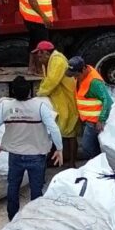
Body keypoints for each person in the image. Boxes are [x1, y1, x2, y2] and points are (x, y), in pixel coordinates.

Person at [0, 74, 60, 218]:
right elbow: (54, 129)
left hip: (15, 155)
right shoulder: (40, 106)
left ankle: (12, 217)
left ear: (13, 92)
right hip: (37, 155)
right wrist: (59, 148)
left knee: (13, 187)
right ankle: (34, 219)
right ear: (29, 91)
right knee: (36, 189)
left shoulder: (6, 107)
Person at [30, 38, 81, 170]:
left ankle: (71, 162)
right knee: (62, 130)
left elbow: (51, 81)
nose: (38, 58)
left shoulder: (57, 61)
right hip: (60, 101)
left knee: (70, 132)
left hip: (67, 100)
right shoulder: (48, 62)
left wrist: (39, 94)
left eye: (39, 55)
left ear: (46, 53)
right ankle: (60, 159)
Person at [72, 57, 113, 163]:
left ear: (83, 70)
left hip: (94, 121)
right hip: (87, 119)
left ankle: (98, 163)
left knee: (87, 146)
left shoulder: (95, 82)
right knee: (93, 145)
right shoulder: (82, 76)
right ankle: (98, 162)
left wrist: (101, 119)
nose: (75, 77)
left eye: (76, 75)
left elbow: (108, 101)